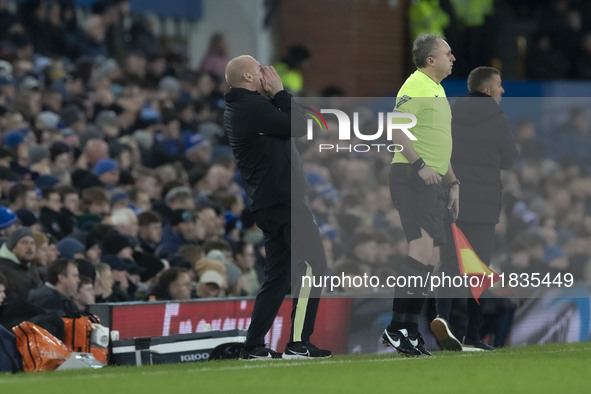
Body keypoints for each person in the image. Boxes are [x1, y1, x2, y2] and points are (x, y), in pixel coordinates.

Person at [224, 55, 331, 359]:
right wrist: (281, 93)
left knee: (279, 277)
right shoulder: (250, 106)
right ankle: (298, 343)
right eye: (260, 71)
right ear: (247, 77)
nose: (266, 75)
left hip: (270, 201)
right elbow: (299, 125)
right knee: (314, 266)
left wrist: (275, 98)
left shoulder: (244, 106)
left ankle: (253, 346)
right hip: (284, 200)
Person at [430, 66, 518, 351]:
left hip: (450, 199)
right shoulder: (494, 116)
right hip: (483, 207)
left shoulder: (450, 110)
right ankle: (472, 335)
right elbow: (510, 158)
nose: (503, 90)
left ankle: (441, 317)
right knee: (477, 270)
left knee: (448, 264)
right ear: (488, 89)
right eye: (500, 85)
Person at [381, 33, 457, 357]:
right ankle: (397, 326)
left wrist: (453, 183)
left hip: (434, 182)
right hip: (413, 177)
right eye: (448, 52)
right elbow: (395, 128)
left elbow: (439, 143)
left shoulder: (437, 90)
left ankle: (409, 329)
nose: (453, 57)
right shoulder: (416, 86)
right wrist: (421, 165)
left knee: (432, 259)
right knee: (420, 252)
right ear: (431, 60)